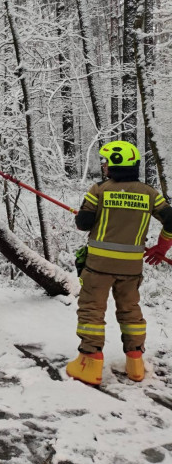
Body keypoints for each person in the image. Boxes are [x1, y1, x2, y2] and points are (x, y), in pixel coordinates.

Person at [66, 141, 172, 385]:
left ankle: (89, 364)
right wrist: (161, 247)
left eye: (105, 162)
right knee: (130, 310)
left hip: (99, 266)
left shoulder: (99, 190)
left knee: (92, 310)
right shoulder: (149, 193)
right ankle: (135, 364)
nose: (103, 166)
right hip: (131, 267)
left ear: (114, 163)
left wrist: (88, 212)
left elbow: (83, 223)